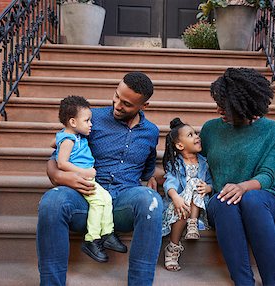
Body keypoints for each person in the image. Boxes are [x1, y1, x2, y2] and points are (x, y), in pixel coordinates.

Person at [36, 72, 163, 286]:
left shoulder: (150, 132)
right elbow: (56, 158)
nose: (117, 105)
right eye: (116, 96)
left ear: (144, 105)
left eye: (127, 104)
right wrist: (59, 177)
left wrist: (156, 178)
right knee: (52, 202)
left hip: (124, 201)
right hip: (86, 197)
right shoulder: (91, 119)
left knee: (151, 201)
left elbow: (148, 171)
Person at [199, 68, 275, 286]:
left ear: (245, 105)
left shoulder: (271, 130)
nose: (219, 108)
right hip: (223, 202)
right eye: (218, 101)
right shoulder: (210, 130)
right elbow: (195, 164)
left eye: (225, 104)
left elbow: (267, 175)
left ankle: (274, 283)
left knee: (251, 200)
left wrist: (243, 187)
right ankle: (243, 282)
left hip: (263, 198)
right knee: (224, 201)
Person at [54, 95, 127, 263]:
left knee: (106, 198)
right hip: (80, 179)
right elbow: (62, 163)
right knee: (97, 203)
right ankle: (92, 239)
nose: (91, 124)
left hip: (87, 177)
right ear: (73, 122)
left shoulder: (74, 136)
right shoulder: (68, 139)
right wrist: (83, 171)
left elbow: (56, 143)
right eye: (87, 121)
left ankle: (107, 233)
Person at [161, 117, 213, 271]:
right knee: (183, 206)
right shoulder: (176, 164)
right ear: (180, 145)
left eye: (196, 133)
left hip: (200, 204)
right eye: (190, 135)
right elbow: (169, 182)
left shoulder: (204, 162)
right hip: (180, 204)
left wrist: (208, 188)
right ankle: (173, 247)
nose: (197, 136)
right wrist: (175, 197)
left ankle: (193, 222)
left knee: (196, 183)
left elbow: (210, 181)